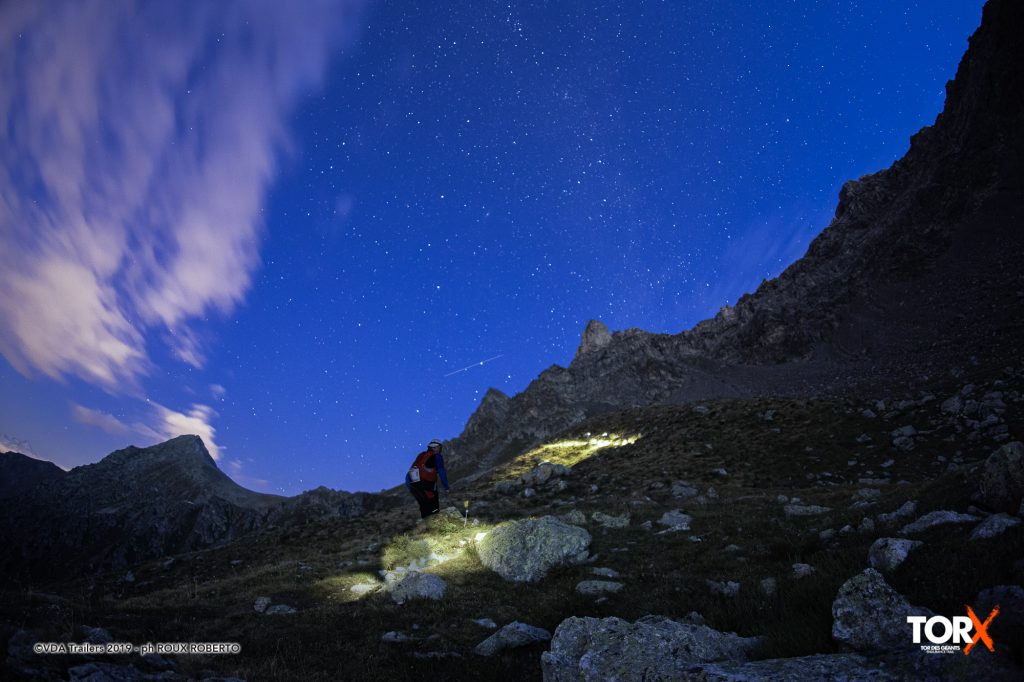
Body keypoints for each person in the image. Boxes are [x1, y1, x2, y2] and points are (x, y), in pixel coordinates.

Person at [405, 439, 450, 518]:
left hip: (412, 483)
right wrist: (446, 487)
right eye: (439, 447)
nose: (440, 449)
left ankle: (426, 521)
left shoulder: (422, 455)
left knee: (424, 506)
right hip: (425, 483)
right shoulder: (437, 456)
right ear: (436, 447)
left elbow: (412, 469)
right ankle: (435, 520)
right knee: (434, 507)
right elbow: (441, 472)